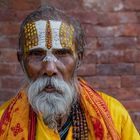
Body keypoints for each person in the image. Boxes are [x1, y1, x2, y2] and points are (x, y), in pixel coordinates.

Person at [0, 5, 139, 140]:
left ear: (79, 59)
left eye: (61, 54)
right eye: (36, 54)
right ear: (21, 60)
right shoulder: (3, 122)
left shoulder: (114, 115)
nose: (49, 69)